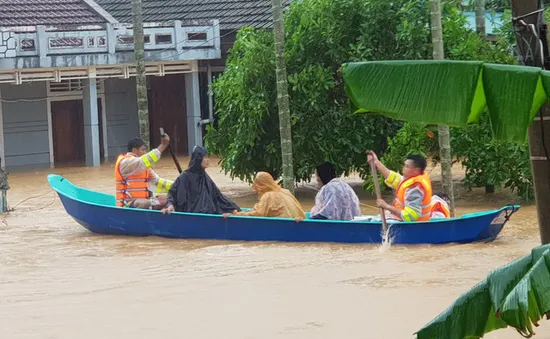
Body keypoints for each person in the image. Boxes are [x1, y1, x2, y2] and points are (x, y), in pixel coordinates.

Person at [161, 145, 241, 215]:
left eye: (208, 157)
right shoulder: (185, 176)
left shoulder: (205, 177)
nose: (208, 160)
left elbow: (218, 197)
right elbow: (172, 194)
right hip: (191, 214)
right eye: (205, 157)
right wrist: (170, 205)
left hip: (208, 213)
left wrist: (235, 210)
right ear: (198, 159)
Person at [367, 151, 433, 222]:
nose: (403, 168)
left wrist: (387, 206)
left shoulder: (415, 188)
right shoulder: (412, 179)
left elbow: (410, 217)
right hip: (402, 220)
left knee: (376, 220)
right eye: (404, 165)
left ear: (416, 171)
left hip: (414, 226)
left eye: (407, 166)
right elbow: (393, 178)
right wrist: (376, 162)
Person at [115, 134, 173, 210]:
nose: (145, 152)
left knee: (166, 200)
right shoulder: (126, 163)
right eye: (142, 150)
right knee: (145, 202)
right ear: (134, 150)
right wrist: (163, 145)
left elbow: (157, 182)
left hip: (145, 203)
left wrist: (177, 186)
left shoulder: (143, 168)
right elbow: (145, 160)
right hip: (127, 205)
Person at [225, 171, 306, 219]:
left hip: (284, 223)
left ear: (261, 185)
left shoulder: (267, 196)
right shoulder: (286, 191)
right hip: (296, 220)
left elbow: (258, 214)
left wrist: (237, 214)